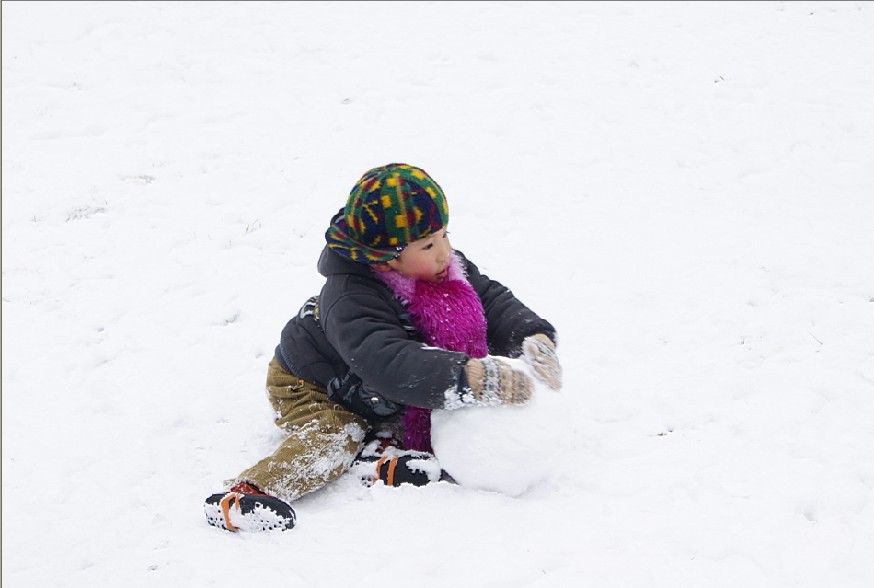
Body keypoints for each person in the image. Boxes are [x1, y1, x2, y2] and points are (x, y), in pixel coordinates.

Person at [204, 163, 562, 532]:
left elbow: (489, 299)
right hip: (311, 382)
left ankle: (382, 458)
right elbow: (388, 362)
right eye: (427, 244)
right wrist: (466, 376)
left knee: (431, 414)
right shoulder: (350, 298)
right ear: (388, 257)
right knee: (337, 434)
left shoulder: (444, 270)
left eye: (444, 235)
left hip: (372, 386)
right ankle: (249, 493)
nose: (444, 253)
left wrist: (531, 336)